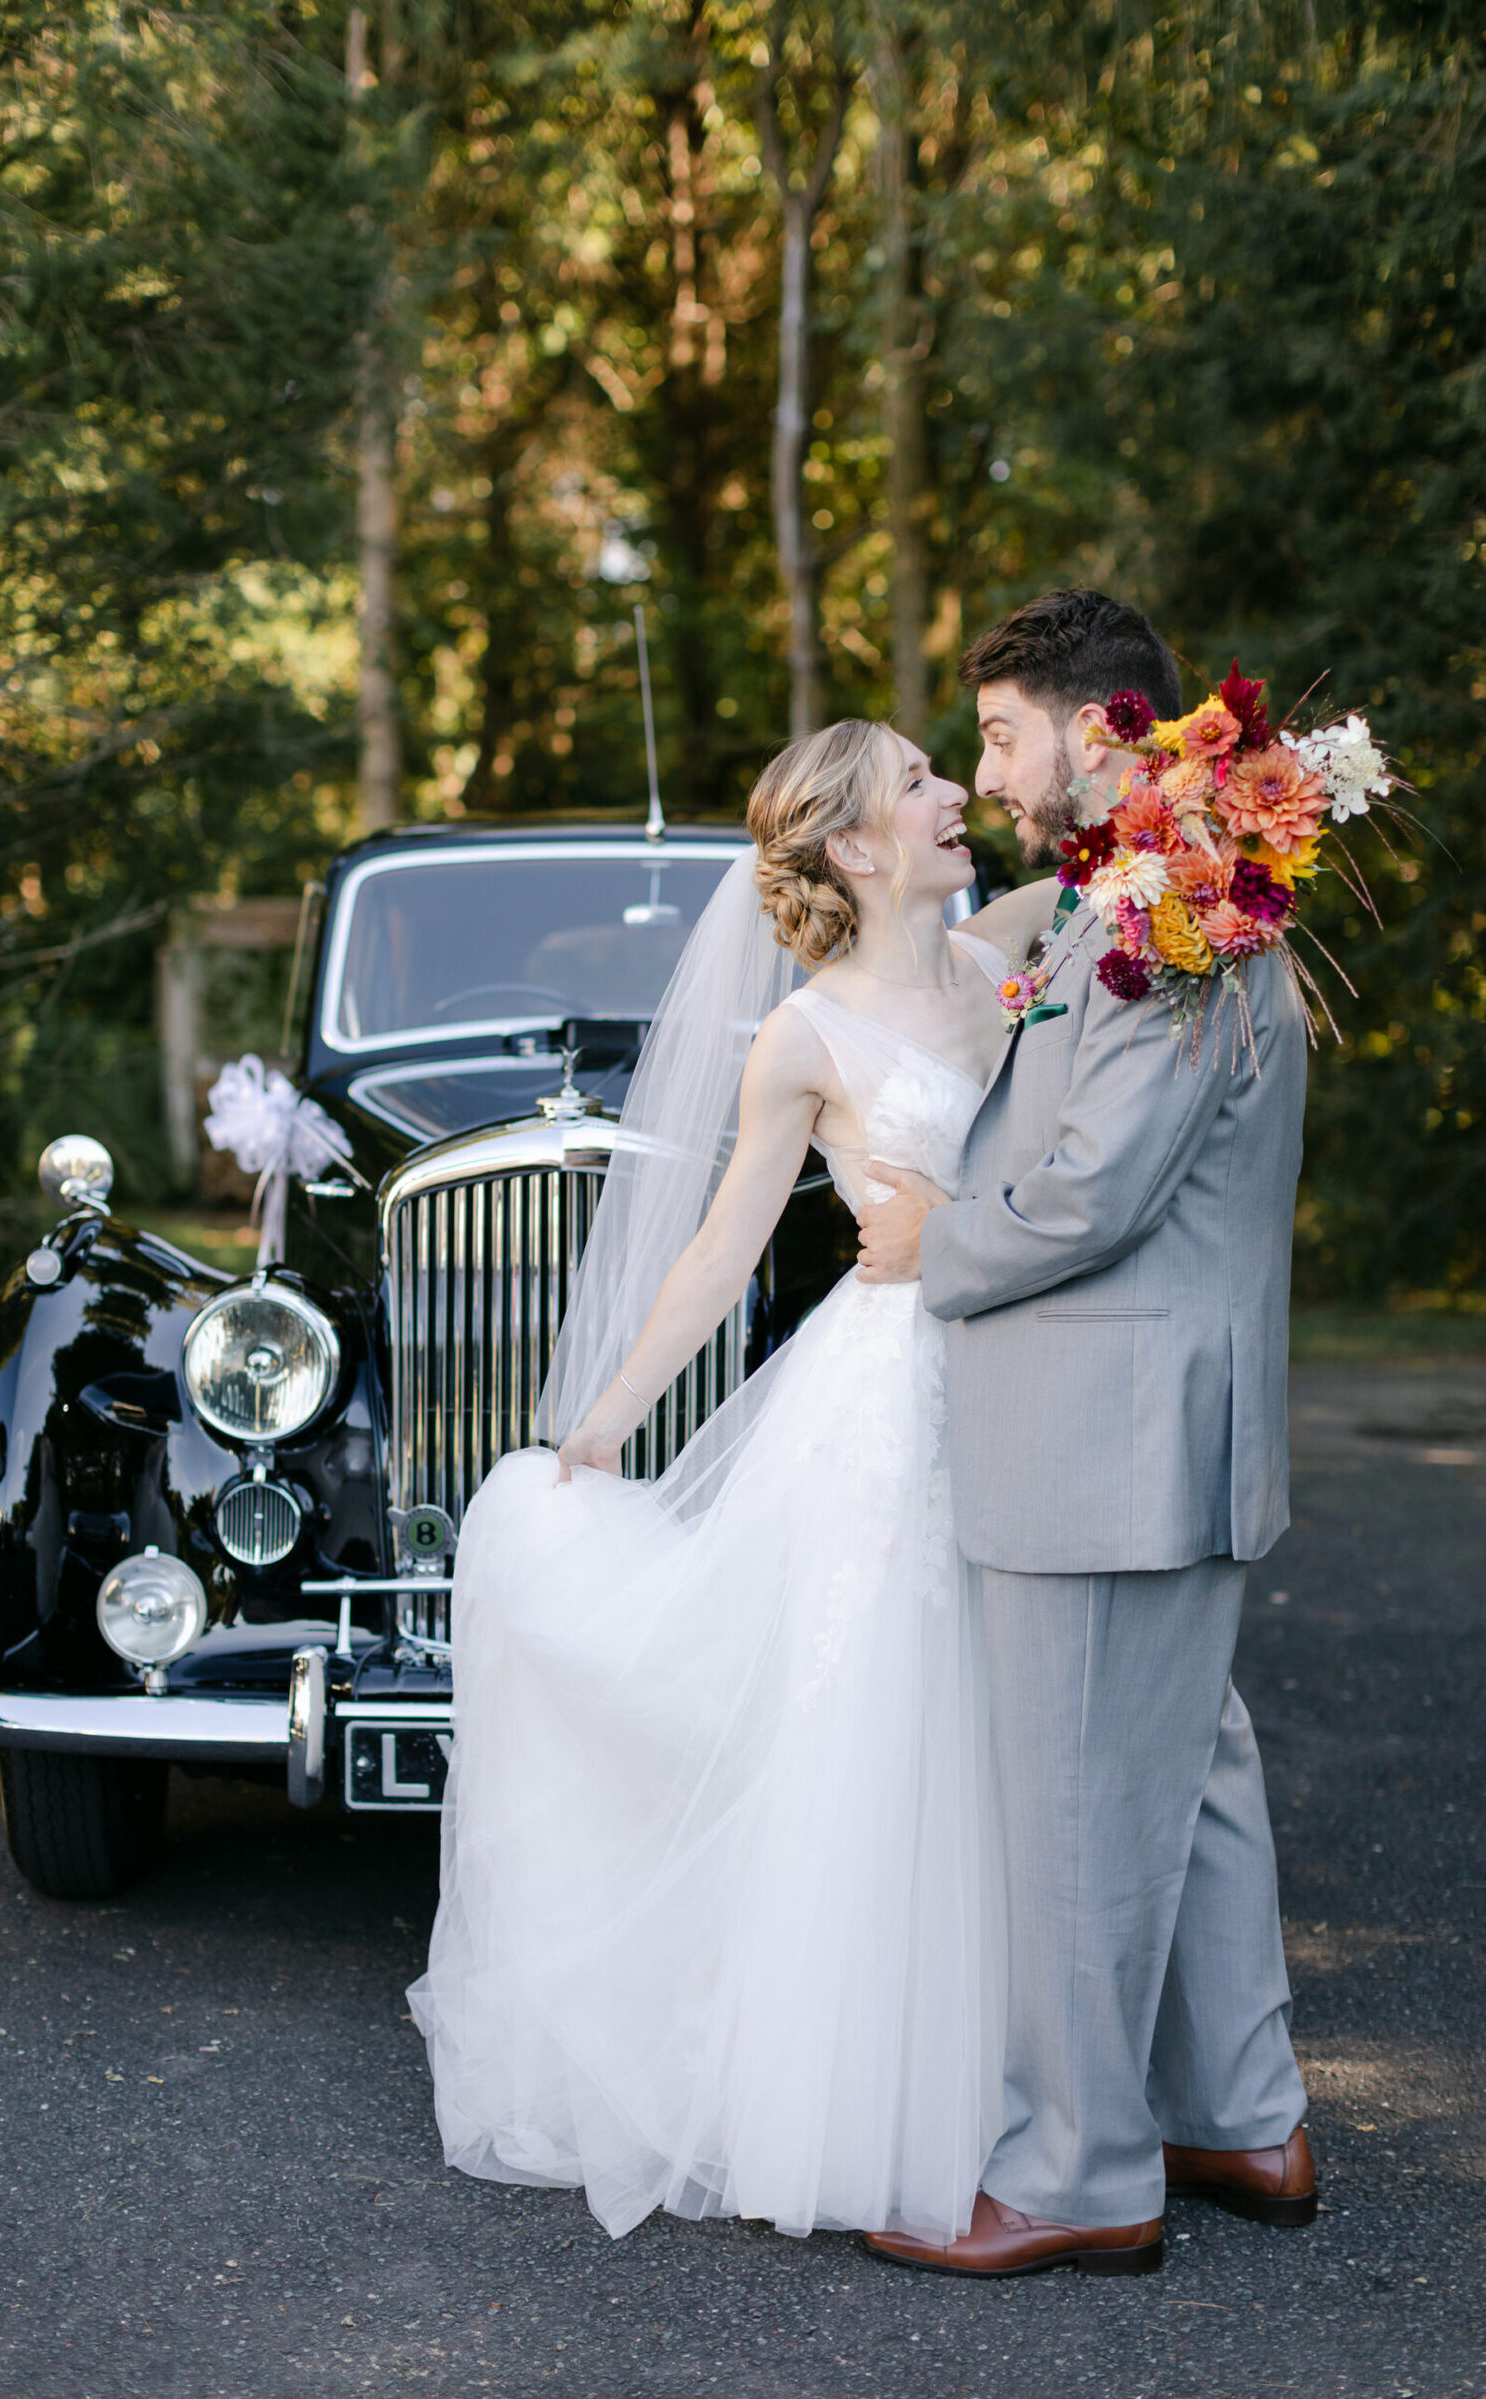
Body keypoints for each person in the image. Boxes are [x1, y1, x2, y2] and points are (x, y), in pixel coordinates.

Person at [409, 719, 1055, 2247]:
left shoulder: (1016, 948)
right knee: (880, 1727)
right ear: (852, 846)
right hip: (890, 1405)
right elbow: (723, 1246)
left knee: (1020, 1733)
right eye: (919, 779)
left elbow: (1144, 898)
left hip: (1031, 1374)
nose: (957, 792)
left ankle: (1050, 2086)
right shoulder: (806, 1041)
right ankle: (864, 2104)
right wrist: (605, 1423)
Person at [856, 588, 1315, 2279]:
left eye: (995, 735)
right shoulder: (1148, 889)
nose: (983, 772)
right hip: (1154, 1426)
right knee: (1188, 1778)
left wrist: (930, 1247)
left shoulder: (1174, 915)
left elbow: (1093, 1188)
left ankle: (1081, 2169)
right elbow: (1014, 945)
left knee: (1071, 1805)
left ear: (1099, 726)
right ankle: (1242, 2117)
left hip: (1103, 1435)